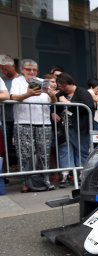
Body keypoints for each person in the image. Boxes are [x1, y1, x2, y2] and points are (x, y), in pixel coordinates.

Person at [9, 59, 57, 192]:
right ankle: (25, 183)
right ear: (22, 70)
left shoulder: (43, 82)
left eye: (34, 70)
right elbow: (13, 97)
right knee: (25, 154)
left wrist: (53, 96)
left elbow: (52, 101)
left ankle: (45, 181)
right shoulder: (17, 81)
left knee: (44, 153)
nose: (31, 72)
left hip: (43, 122)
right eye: (28, 69)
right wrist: (28, 94)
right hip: (23, 122)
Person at [56, 72, 95, 187]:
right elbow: (56, 107)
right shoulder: (61, 94)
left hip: (80, 127)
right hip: (64, 127)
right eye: (61, 87)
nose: (63, 89)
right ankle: (65, 175)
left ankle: (82, 174)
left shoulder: (83, 93)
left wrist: (68, 103)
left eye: (64, 86)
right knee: (65, 150)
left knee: (81, 150)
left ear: (70, 82)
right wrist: (54, 112)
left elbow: (87, 108)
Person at [1, 54, 21, 164]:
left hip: (21, 118)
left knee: (21, 146)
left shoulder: (21, 79)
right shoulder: (1, 80)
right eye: (2, 70)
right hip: (5, 118)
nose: (4, 72)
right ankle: (6, 172)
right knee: (5, 147)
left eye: (6, 69)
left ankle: (23, 171)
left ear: (13, 66)